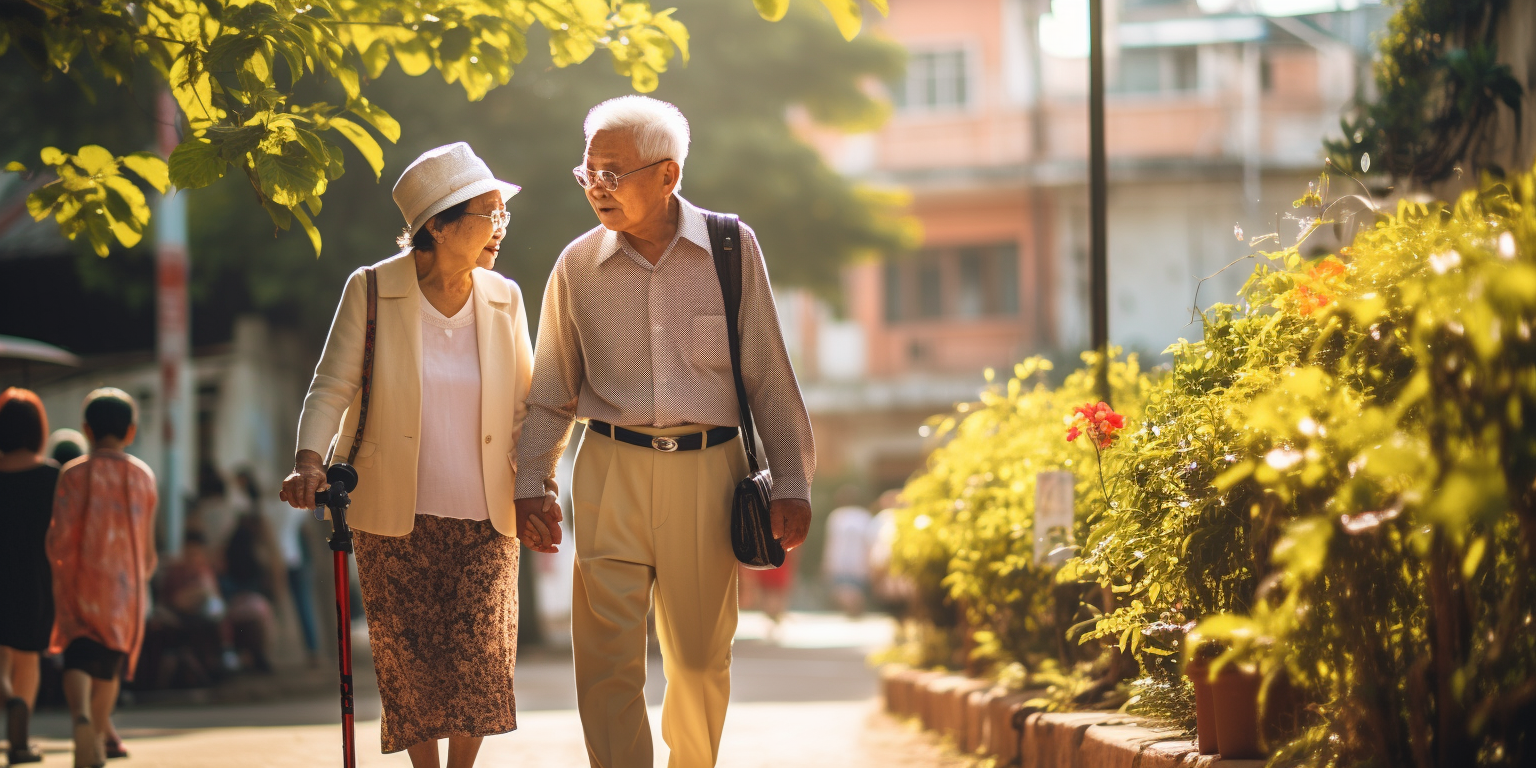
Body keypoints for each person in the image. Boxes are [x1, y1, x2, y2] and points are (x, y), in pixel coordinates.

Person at [513, 95, 817, 768]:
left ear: (668, 175)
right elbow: (551, 389)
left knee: (702, 663)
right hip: (608, 471)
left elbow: (769, 373)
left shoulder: (731, 250)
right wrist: (530, 483)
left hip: (710, 474)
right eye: (588, 170)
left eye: (614, 171)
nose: (597, 185)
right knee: (606, 665)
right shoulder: (575, 268)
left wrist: (792, 481)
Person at [281, 142, 543, 768]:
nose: (500, 228)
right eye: (487, 213)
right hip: (393, 516)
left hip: (486, 516)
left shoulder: (504, 297)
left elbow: (527, 409)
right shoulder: (372, 290)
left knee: (479, 663)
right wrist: (310, 460)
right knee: (411, 666)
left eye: (501, 215)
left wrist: (540, 485)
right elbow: (333, 385)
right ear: (437, 223)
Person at [46, 388, 158, 767]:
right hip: (121, 588)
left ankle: (78, 714)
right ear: (130, 432)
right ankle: (95, 729)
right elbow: (147, 544)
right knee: (108, 663)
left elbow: (58, 537)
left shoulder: (72, 473)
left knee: (78, 653)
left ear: (86, 430)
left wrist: (59, 573)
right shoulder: (143, 477)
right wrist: (142, 571)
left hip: (79, 579)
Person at [0, 388, 59, 765]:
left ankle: (9, 699)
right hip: (37, 576)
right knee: (28, 657)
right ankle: (20, 741)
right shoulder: (54, 476)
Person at [821, 487, 875, 619]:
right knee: (855, 589)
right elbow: (868, 543)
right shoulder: (865, 516)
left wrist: (826, 562)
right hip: (859, 562)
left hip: (838, 561)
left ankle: (850, 609)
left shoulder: (837, 515)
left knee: (841, 590)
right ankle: (853, 609)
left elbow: (831, 541)